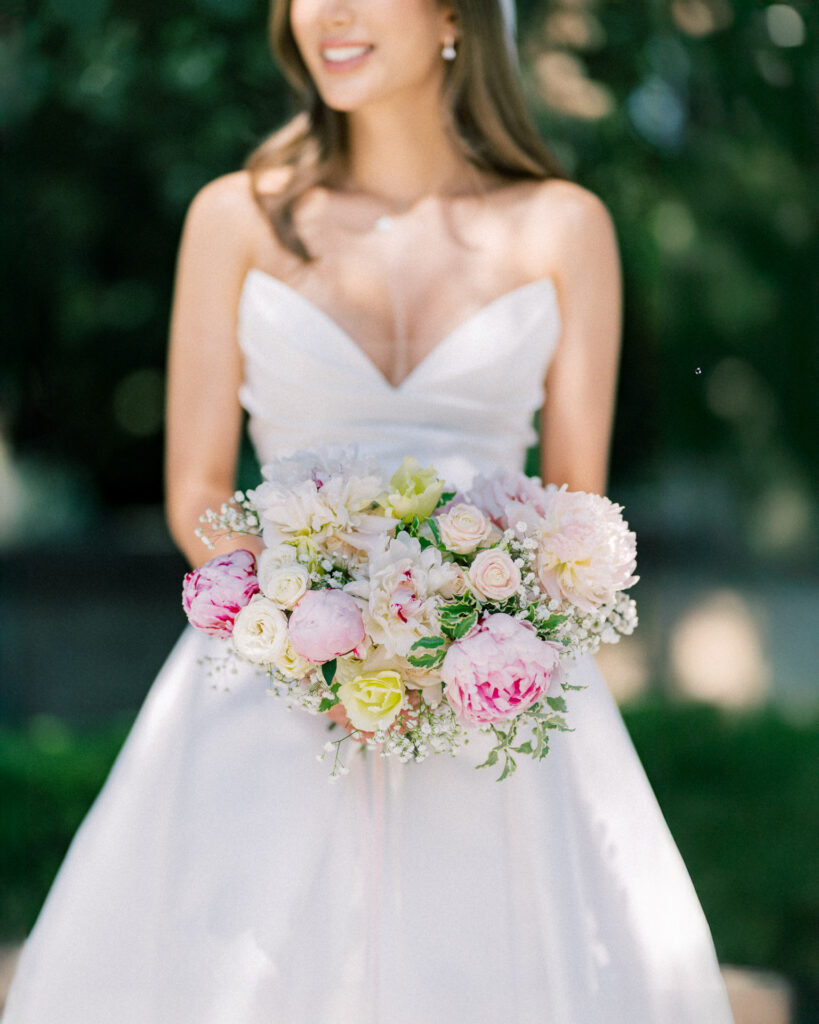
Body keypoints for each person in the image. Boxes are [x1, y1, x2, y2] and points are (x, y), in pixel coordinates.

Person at [3, 1, 736, 1022]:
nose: (327, 13)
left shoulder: (566, 225)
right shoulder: (235, 215)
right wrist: (319, 618)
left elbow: (578, 510)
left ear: (453, 14)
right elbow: (198, 492)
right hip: (270, 688)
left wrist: (457, 622)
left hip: (495, 701)